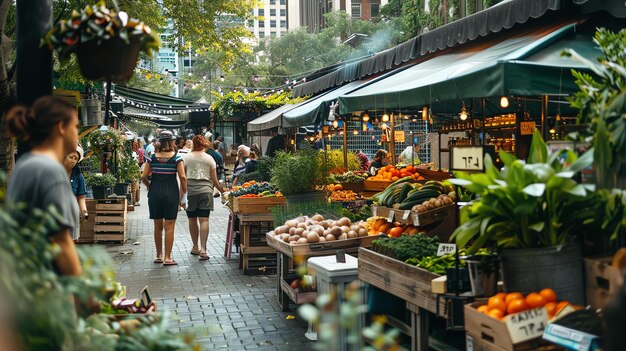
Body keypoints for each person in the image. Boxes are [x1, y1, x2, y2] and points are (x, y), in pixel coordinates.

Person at [5, 96, 82, 276]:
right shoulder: (49, 170)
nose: (77, 133)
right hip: (45, 285)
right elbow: (62, 241)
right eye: (76, 126)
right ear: (61, 127)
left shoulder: (26, 164)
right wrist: (85, 297)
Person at [141, 130, 187, 266]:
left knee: (157, 226)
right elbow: (183, 177)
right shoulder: (177, 158)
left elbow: (143, 176)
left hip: (155, 192)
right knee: (169, 227)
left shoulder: (152, 158)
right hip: (171, 193)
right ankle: (167, 257)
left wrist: (149, 186)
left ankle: (159, 255)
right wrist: (185, 193)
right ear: (172, 142)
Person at [182, 135, 226, 260]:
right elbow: (214, 179)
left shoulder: (186, 158)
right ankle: (203, 249)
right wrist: (222, 190)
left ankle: (195, 247)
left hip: (190, 192)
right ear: (204, 145)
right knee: (204, 220)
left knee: (192, 220)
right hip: (206, 191)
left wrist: (181, 196)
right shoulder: (209, 158)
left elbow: (183, 177)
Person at [63, 146, 88, 240]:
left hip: (72, 213)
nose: (73, 161)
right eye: (71, 157)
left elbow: (81, 197)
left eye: (76, 159)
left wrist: (84, 212)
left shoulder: (79, 176)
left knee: (70, 242)